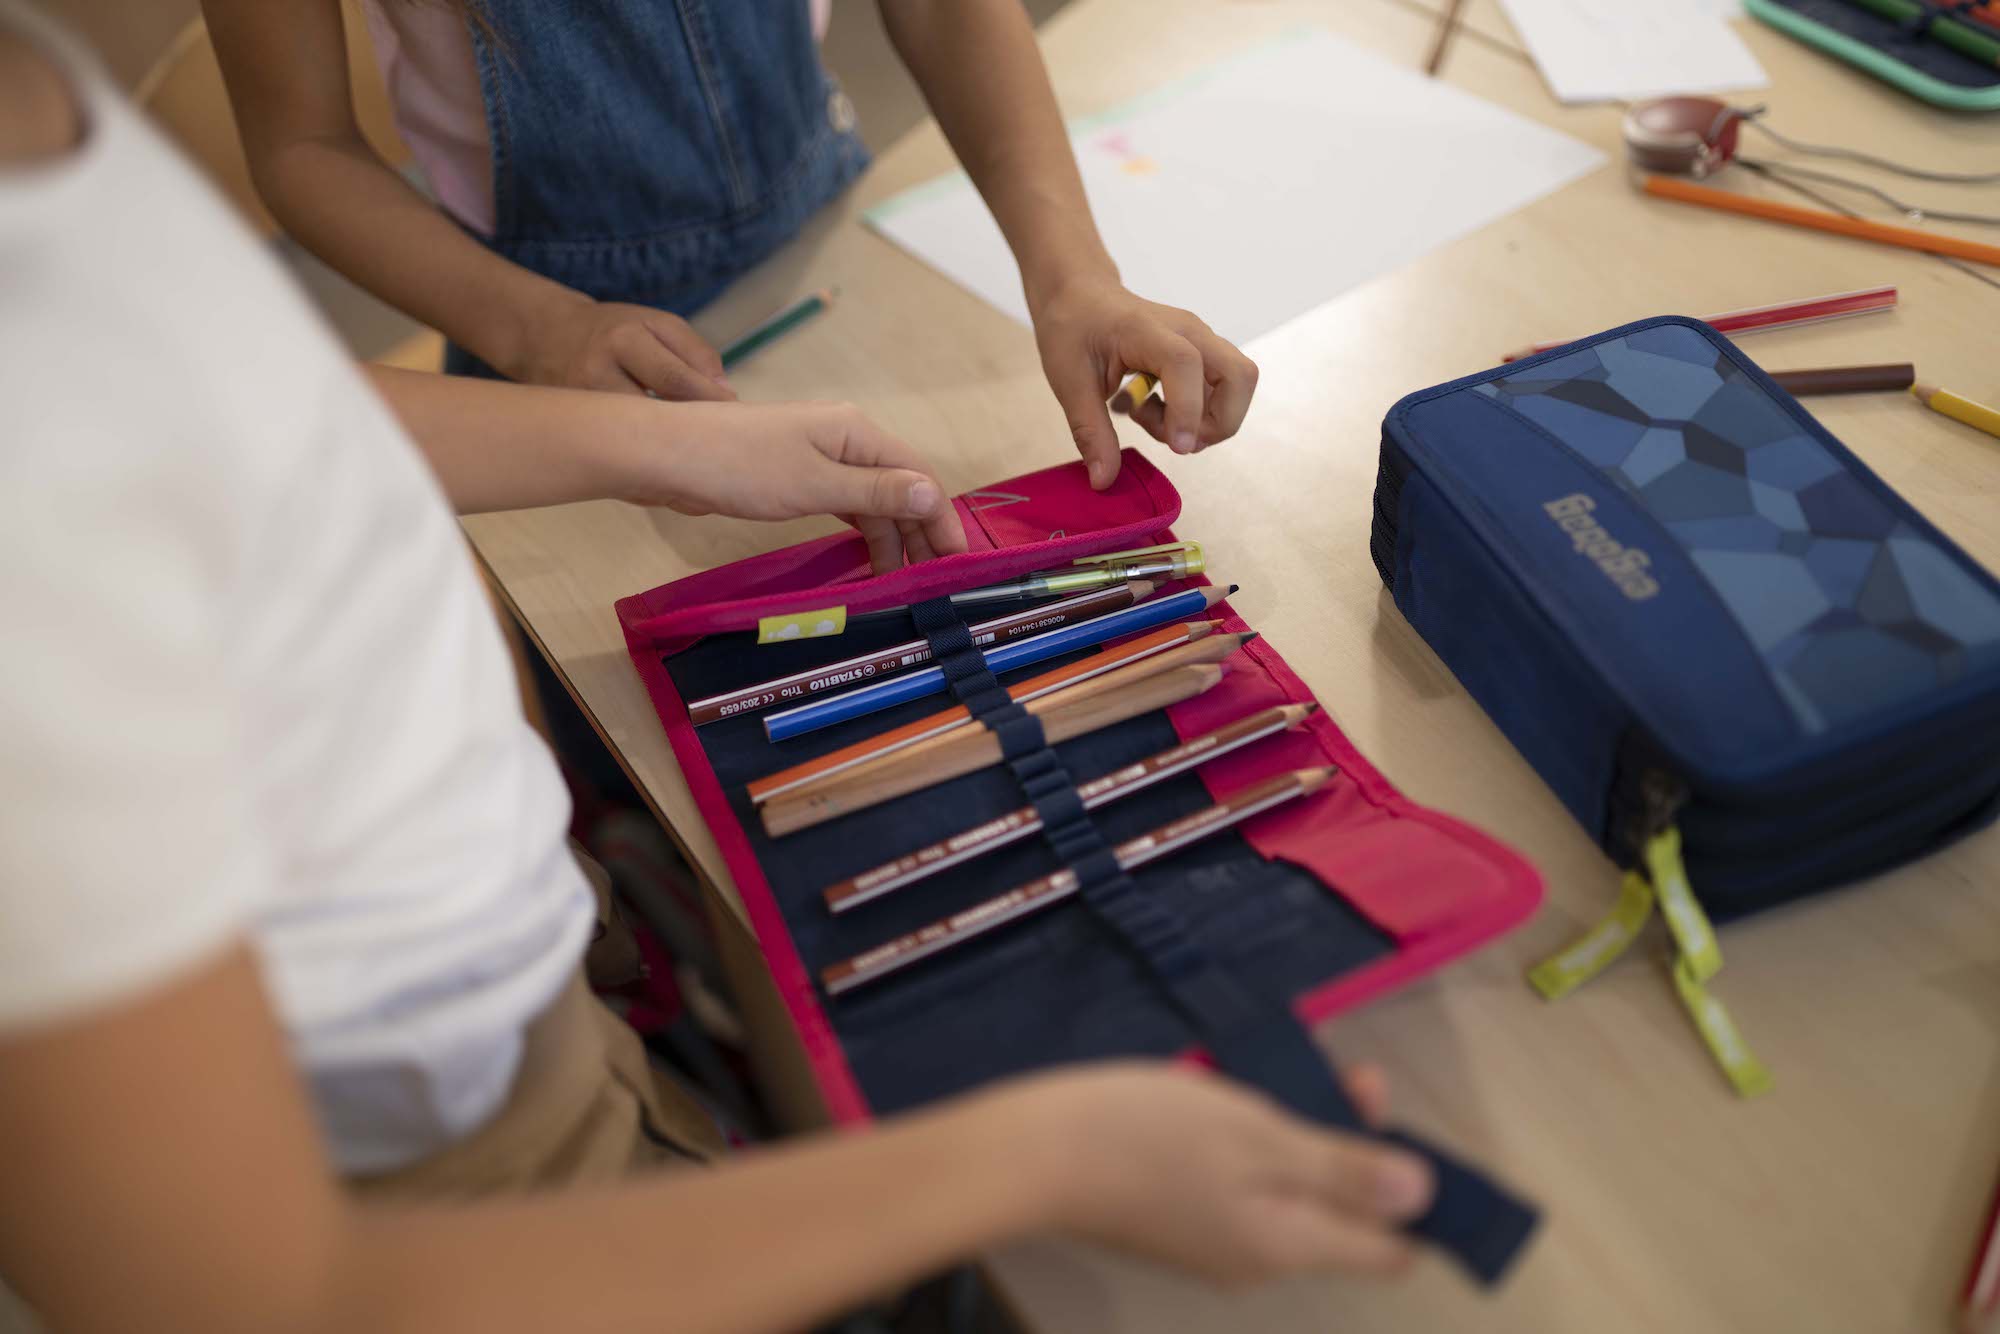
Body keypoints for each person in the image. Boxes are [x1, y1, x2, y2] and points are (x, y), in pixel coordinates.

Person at [0, 13, 1432, 1334]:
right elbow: (262, 1290)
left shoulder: (48, 129)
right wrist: (1032, 1157)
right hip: (455, 1171)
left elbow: (239, 414)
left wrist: (655, 443)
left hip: (525, 986)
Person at [200, 0, 1260, 491]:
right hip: (537, 333)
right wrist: (538, 325)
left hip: (833, 243)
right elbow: (300, 148)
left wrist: (1073, 275)